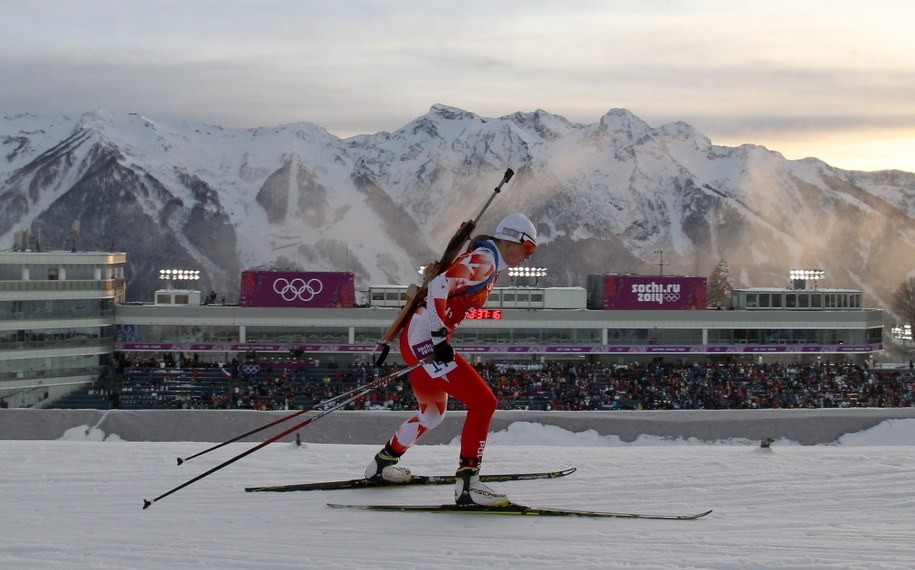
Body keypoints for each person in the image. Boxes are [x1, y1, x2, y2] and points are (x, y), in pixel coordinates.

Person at [364, 213, 538, 507]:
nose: (528, 257)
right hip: (425, 342)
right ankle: (468, 485)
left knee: (432, 414)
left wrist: (436, 334)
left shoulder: (488, 261)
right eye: (528, 249)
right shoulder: (485, 260)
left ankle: (382, 465)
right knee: (484, 403)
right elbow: (439, 286)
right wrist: (437, 336)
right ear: (511, 241)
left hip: (418, 339)